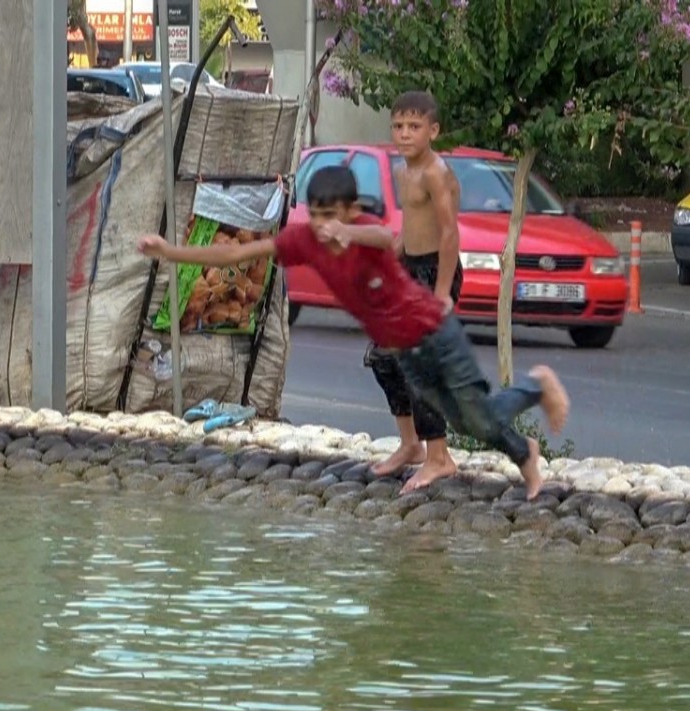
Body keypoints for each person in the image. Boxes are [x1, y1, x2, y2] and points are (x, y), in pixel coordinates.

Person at [136, 165, 569, 499]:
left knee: (478, 417)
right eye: (318, 215)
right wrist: (170, 251)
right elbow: (243, 250)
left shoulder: (363, 236)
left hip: (435, 332)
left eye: (333, 215)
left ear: (349, 210)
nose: (325, 224)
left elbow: (388, 238)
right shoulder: (305, 240)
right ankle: (525, 437)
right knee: (461, 421)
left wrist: (351, 231)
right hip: (405, 351)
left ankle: (533, 410)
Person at [365, 90, 464, 489]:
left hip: (437, 271)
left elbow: (449, 233)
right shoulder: (404, 171)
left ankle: (439, 456)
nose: (404, 134)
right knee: (383, 358)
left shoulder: (435, 173)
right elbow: (413, 223)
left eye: (414, 126)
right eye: (398, 126)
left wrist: (441, 294)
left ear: (433, 130)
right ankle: (411, 444)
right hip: (411, 267)